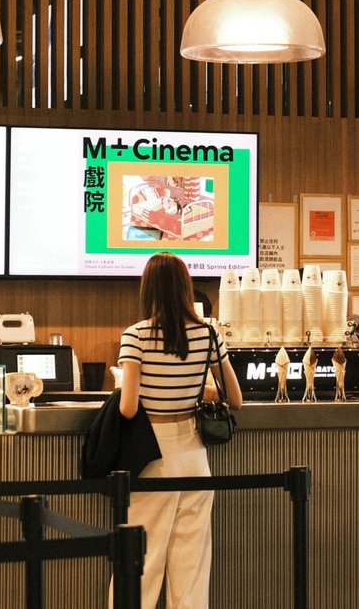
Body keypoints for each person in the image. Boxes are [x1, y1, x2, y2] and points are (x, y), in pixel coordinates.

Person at [114, 252, 244, 609]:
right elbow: (236, 398)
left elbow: (127, 407)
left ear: (148, 289)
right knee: (191, 562)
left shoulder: (135, 336)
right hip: (193, 453)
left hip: (152, 454)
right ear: (186, 288)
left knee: (142, 558)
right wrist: (195, 389)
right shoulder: (208, 334)